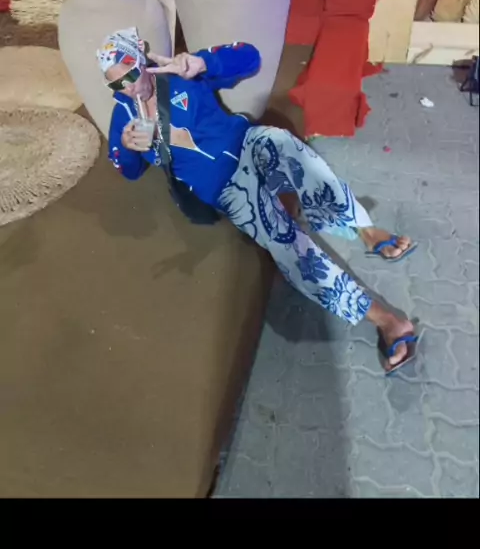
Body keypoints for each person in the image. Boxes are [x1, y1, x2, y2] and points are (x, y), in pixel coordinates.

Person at [97, 28, 420, 375]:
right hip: (226, 188)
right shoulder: (124, 118)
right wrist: (129, 149)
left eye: (131, 74)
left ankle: (362, 227)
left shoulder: (179, 74)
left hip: (248, 144)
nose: (128, 87)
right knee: (285, 244)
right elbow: (128, 171)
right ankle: (385, 319)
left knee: (287, 146)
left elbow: (250, 57)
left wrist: (202, 63)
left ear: (142, 60)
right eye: (117, 83)